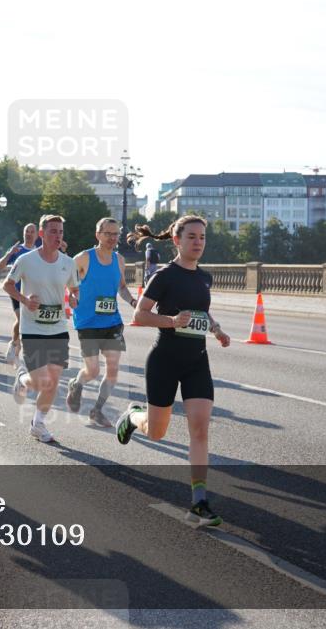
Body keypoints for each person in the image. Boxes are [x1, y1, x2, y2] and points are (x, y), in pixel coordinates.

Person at [115, 216, 232, 527]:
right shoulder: (164, 276)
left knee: (200, 429)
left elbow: (201, 309)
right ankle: (132, 417)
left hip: (197, 362)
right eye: (192, 236)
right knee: (157, 432)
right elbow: (140, 314)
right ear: (177, 241)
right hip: (164, 360)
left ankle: (199, 501)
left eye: (202, 237)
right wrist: (170, 321)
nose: (198, 242)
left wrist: (217, 330)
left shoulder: (205, 278)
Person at [3, 214, 80, 443]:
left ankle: (38, 423)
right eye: (53, 231)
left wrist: (74, 298)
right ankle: (23, 378)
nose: (58, 236)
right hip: (32, 328)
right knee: (40, 382)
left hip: (57, 328)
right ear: (41, 234)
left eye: (61, 232)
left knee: (53, 380)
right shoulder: (26, 260)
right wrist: (25, 300)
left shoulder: (68, 262)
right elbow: (8, 284)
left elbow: (75, 289)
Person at [66, 218, 138, 428]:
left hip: (112, 322)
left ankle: (97, 410)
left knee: (113, 370)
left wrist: (133, 301)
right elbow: (66, 280)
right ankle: (77, 384)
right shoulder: (83, 258)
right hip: (88, 322)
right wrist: (71, 296)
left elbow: (122, 287)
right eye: (108, 234)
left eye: (116, 234)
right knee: (93, 371)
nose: (112, 238)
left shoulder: (119, 260)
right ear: (98, 234)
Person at [0, 223, 37, 366]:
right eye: (27, 231)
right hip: (16, 290)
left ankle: (16, 347)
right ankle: (14, 346)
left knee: (27, 323)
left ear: (36, 235)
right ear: (23, 233)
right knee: (21, 319)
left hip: (32, 293)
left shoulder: (39, 252)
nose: (29, 234)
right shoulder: (17, 250)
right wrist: (9, 253)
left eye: (32, 231)